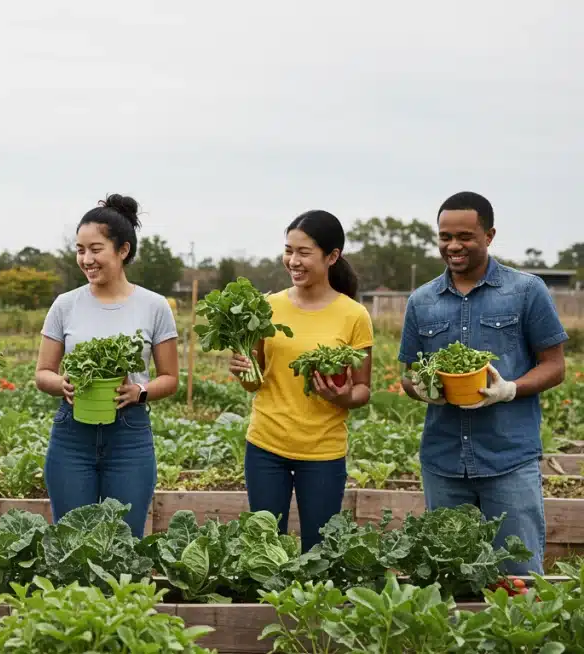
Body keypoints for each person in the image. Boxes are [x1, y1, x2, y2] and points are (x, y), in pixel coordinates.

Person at [399, 191, 567, 575]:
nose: (453, 246)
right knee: (450, 582)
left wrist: (509, 389)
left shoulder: (525, 291)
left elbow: (554, 366)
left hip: (508, 460)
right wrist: (421, 388)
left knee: (518, 578)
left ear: (489, 236)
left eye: (464, 236)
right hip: (443, 463)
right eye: (444, 237)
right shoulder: (422, 301)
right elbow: (408, 374)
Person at [34, 194, 179, 537]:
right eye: (80, 249)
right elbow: (42, 373)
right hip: (72, 435)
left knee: (125, 542)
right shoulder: (65, 305)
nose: (86, 259)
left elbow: (170, 378)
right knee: (71, 542)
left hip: (129, 437)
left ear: (123, 250)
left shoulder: (154, 306)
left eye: (95, 249)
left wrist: (138, 392)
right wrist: (62, 384)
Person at [229, 210, 373, 552]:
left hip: (323, 450)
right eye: (288, 250)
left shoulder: (354, 315)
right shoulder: (266, 307)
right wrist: (243, 369)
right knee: (264, 549)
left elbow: (363, 390)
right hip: (266, 445)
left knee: (318, 550)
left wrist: (342, 397)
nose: (293, 261)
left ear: (332, 256)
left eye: (304, 252)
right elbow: (255, 383)